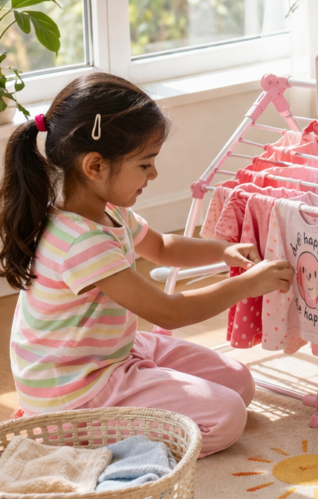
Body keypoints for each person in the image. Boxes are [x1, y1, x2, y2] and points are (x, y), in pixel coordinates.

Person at [0, 73, 294, 455]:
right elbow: (169, 312)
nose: (153, 174)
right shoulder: (81, 243)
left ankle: (149, 396)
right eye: (144, 164)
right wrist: (249, 284)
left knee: (239, 382)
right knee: (226, 417)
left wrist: (222, 251)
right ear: (94, 166)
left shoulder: (108, 212)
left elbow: (163, 246)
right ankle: (84, 442)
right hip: (76, 392)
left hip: (109, 352)